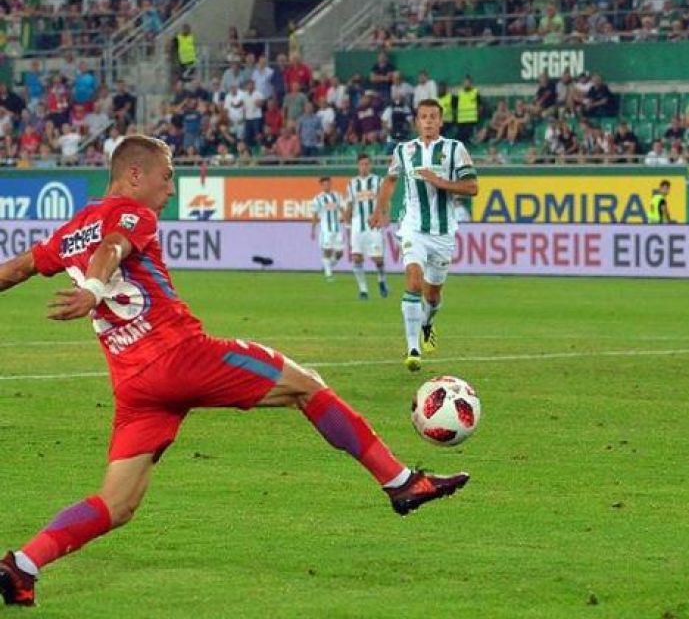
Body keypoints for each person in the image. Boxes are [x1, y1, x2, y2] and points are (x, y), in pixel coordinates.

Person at [0, 135, 468, 607]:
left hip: (135, 385)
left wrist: (90, 287)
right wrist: (94, 288)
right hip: (181, 357)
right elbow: (114, 247)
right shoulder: (134, 214)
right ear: (135, 175)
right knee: (305, 386)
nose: (171, 189)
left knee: (117, 503)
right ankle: (401, 482)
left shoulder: (70, 232)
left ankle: (22, 566)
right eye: (166, 177)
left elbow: (16, 269)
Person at [371, 100, 478, 372]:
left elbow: (472, 187)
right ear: (417, 122)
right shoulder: (404, 150)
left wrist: (439, 181)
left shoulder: (455, 149)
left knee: (432, 296)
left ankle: (428, 323)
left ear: (440, 121)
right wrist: (379, 209)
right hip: (413, 227)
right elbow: (390, 179)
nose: (428, 121)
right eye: (423, 117)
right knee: (414, 281)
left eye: (433, 117)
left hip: (443, 232)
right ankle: (413, 348)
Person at [344, 154, 389, 300]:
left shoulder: (377, 180)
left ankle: (381, 280)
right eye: (362, 164)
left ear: (370, 165)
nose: (364, 167)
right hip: (357, 224)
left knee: (378, 259)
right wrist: (347, 223)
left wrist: (385, 216)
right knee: (356, 258)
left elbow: (384, 200)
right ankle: (363, 290)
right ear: (358, 166)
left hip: (374, 223)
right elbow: (349, 204)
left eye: (366, 164)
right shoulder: (352, 183)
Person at [310, 177, 345, 281]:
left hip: (337, 228)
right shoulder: (318, 198)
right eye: (324, 184)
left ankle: (327, 266)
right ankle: (328, 274)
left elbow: (342, 209)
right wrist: (313, 229)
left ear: (331, 184)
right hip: (326, 229)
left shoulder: (337, 196)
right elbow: (315, 215)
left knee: (340, 253)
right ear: (321, 186)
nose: (327, 186)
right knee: (327, 250)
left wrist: (348, 221)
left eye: (328, 184)